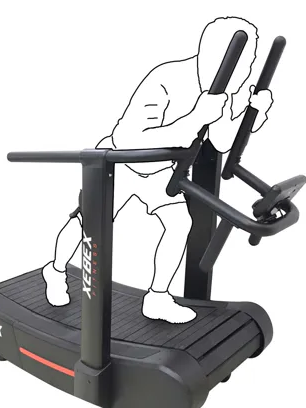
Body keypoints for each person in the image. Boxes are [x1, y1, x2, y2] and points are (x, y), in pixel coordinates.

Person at [41, 17, 274, 323]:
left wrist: (254, 113)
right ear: (217, 54)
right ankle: (55, 271)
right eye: (246, 61)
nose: (247, 70)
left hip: (160, 169)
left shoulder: (223, 89)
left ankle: (157, 298)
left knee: (179, 224)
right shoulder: (166, 79)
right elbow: (128, 138)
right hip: (118, 163)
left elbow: (220, 141)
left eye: (251, 61)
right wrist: (195, 118)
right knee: (90, 225)